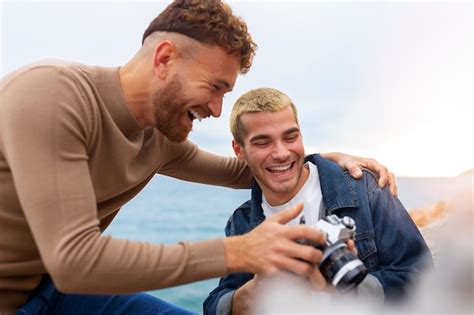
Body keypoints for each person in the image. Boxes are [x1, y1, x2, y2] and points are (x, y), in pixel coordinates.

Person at [0, 1, 397, 314]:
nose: (217, 109)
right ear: (164, 59)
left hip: (57, 290)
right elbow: (75, 258)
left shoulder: (159, 139)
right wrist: (239, 251)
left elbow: (248, 172)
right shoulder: (51, 95)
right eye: (214, 87)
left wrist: (319, 160)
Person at [204, 88, 433, 315]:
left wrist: (349, 288)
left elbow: (422, 276)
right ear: (238, 149)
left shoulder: (364, 188)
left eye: (290, 137)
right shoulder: (241, 222)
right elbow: (214, 304)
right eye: (263, 143)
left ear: (301, 135)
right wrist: (245, 297)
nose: (282, 153)